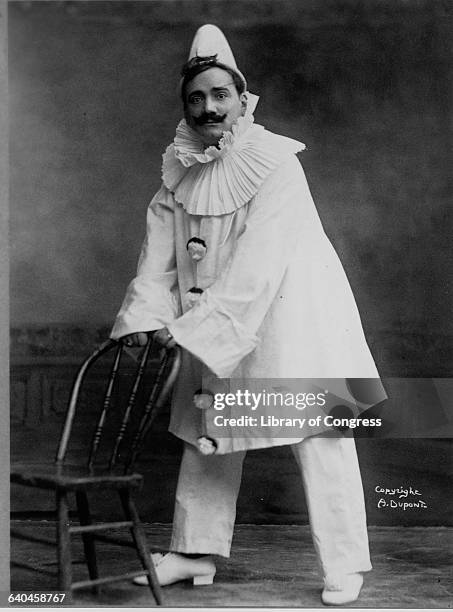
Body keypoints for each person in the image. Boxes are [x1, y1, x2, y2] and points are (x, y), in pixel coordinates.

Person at [110, 24, 385, 605]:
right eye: (196, 98)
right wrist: (147, 316)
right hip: (212, 318)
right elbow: (157, 255)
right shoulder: (178, 169)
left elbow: (262, 260)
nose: (209, 108)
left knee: (320, 431)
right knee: (209, 428)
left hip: (293, 317)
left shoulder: (276, 162)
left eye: (220, 95)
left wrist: (192, 329)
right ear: (186, 106)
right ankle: (193, 551)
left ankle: (345, 564)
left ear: (242, 99)